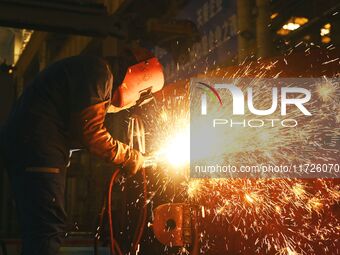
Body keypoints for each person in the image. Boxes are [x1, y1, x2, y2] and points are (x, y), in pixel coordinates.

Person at [0, 46, 164, 255]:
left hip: (27, 145)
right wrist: (128, 156)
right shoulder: (100, 72)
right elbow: (91, 133)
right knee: (46, 228)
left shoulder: (93, 72)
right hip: (38, 147)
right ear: (141, 77)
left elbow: (82, 132)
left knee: (38, 227)